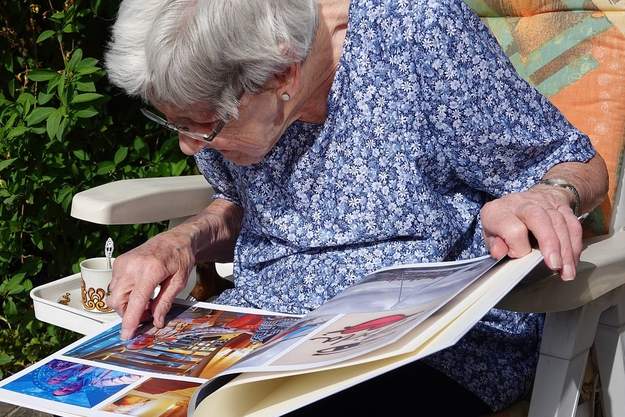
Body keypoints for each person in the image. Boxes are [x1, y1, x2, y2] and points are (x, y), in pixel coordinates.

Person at [104, 0, 608, 414]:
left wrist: (546, 195)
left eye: (203, 126)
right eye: (177, 125)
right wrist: (179, 241)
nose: (190, 148)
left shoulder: (415, 35)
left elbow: (571, 160)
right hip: (262, 338)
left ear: (284, 74)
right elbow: (238, 204)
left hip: (424, 349)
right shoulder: (233, 95)